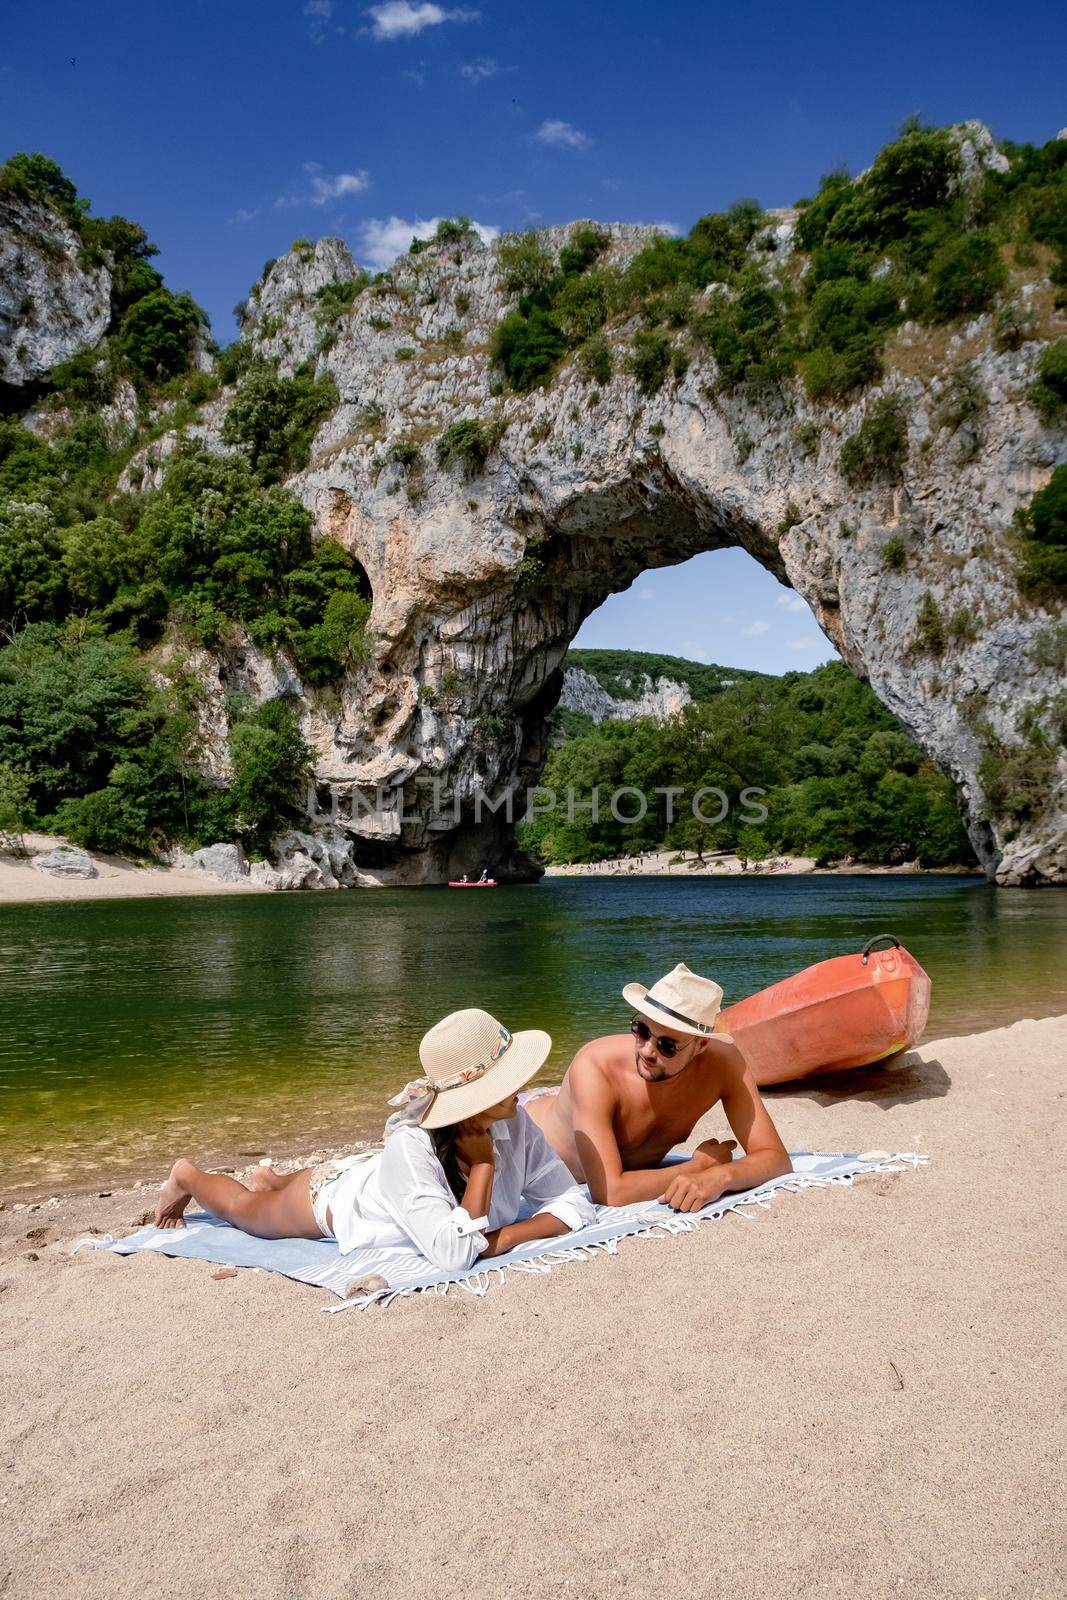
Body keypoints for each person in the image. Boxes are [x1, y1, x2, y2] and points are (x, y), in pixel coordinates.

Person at [153, 1009, 595, 1271]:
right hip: (340, 1201)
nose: (522, 1088)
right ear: (472, 1099)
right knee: (244, 1211)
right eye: (505, 1080)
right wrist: (483, 1167)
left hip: (381, 1177)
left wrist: (502, 1237)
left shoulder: (513, 1121)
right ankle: (188, 1176)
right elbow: (456, 1255)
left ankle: (273, 1177)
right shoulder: (410, 1145)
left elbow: (574, 1203)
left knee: (351, 1172)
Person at [522, 963, 792, 1211]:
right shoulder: (595, 1067)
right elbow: (609, 1193)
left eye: (667, 1046)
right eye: (641, 1031)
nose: (648, 1051)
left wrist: (720, 1177)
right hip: (521, 1133)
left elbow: (776, 1158)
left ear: (702, 1045)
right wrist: (697, 1167)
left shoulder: (723, 1065)